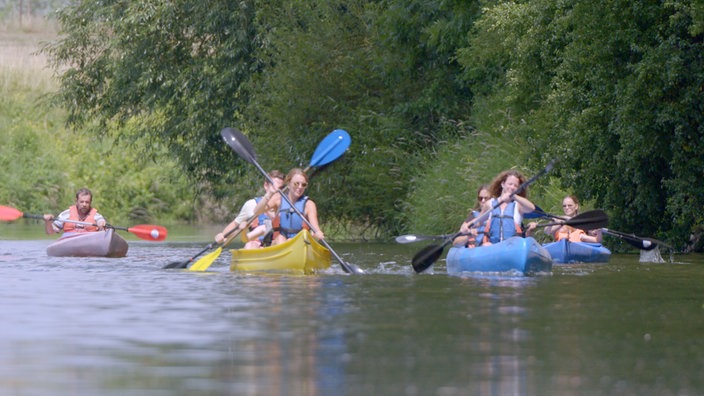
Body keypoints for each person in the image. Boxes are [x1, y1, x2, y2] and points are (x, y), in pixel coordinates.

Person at [214, 170, 285, 248]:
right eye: (274, 186)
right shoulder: (251, 204)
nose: (277, 190)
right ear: (266, 186)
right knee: (250, 245)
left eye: (281, 188)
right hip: (257, 247)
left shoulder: (288, 205)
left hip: (279, 244)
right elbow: (235, 225)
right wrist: (223, 236)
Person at [482, 170, 536, 245]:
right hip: (493, 247)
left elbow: (532, 208)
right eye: (510, 184)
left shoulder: (518, 205)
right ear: (503, 184)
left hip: (512, 247)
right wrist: (467, 226)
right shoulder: (490, 204)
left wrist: (514, 196)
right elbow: (478, 222)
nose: (512, 187)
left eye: (515, 186)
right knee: (486, 245)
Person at [272, 168, 324, 244]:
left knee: (292, 240)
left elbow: (315, 228)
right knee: (280, 238)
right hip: (279, 242)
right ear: (289, 184)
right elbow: (259, 210)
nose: (300, 187)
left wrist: (318, 233)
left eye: (303, 185)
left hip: (298, 242)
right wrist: (269, 193)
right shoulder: (278, 199)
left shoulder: (309, 204)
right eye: (296, 183)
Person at [531, 195, 602, 243]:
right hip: (561, 244)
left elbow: (597, 240)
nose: (567, 208)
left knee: (582, 235)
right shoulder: (558, 219)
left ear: (576, 206)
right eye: (564, 206)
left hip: (579, 245)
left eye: (569, 205)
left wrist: (598, 231)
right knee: (561, 235)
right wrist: (552, 223)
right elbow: (547, 232)